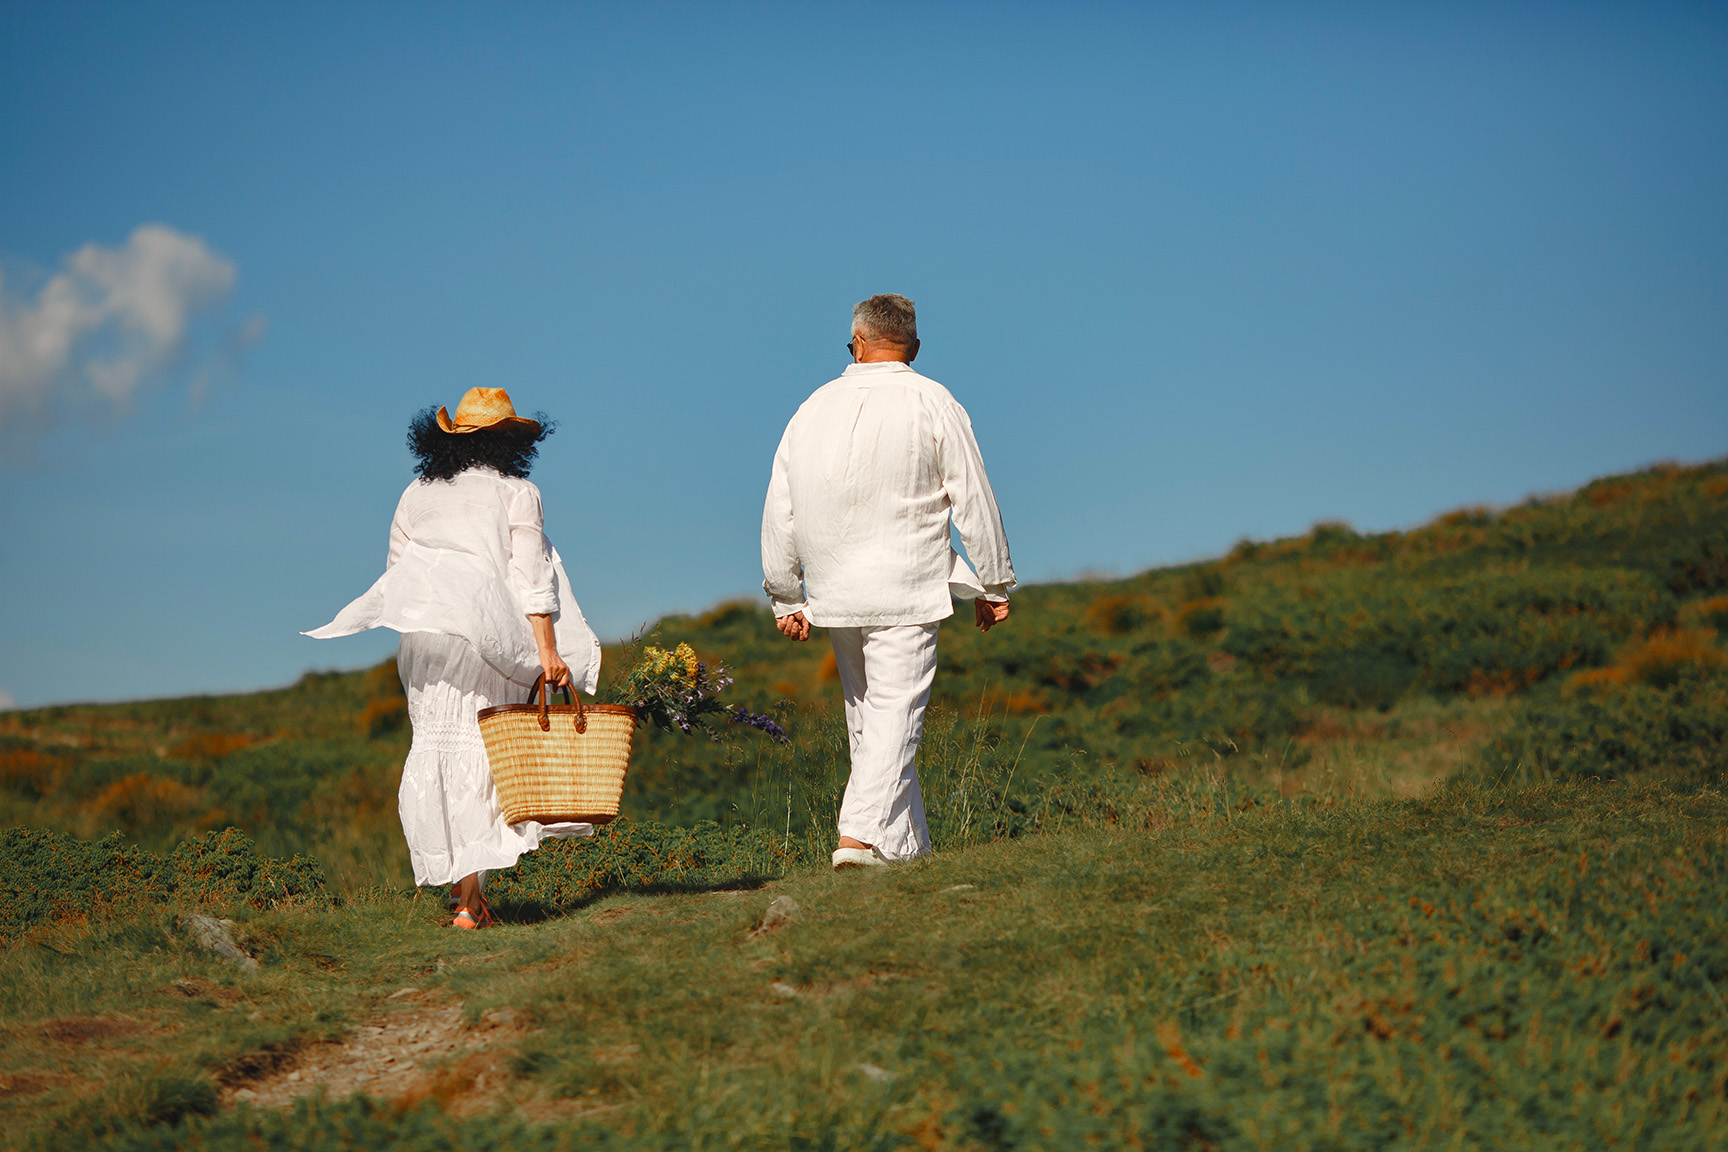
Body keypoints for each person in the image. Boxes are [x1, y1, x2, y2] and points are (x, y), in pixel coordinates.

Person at [306, 388, 602, 927]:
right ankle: (468, 900)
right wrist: (549, 651)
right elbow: (532, 578)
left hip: (425, 640)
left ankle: (467, 895)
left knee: (437, 747)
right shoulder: (518, 492)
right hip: (485, 634)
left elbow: (400, 572)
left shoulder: (415, 493)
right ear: (507, 442)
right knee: (488, 752)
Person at [761, 294, 1015, 870]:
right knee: (894, 714)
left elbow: (781, 507)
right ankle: (858, 839)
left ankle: (906, 855)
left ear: (855, 341)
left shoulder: (811, 408)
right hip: (907, 581)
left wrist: (785, 593)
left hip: (833, 588)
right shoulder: (933, 399)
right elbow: (973, 495)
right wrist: (995, 582)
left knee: (870, 723)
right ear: (916, 349)